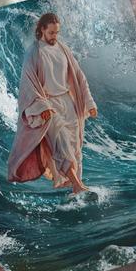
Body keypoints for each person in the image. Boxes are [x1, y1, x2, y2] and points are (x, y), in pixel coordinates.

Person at [7, 12, 98, 194]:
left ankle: (76, 191)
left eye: (57, 33)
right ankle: (77, 185)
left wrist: (90, 103)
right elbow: (28, 85)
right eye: (51, 33)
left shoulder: (63, 49)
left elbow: (79, 77)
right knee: (61, 143)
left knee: (75, 148)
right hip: (49, 105)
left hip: (68, 102)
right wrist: (42, 107)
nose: (54, 36)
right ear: (42, 30)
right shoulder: (34, 53)